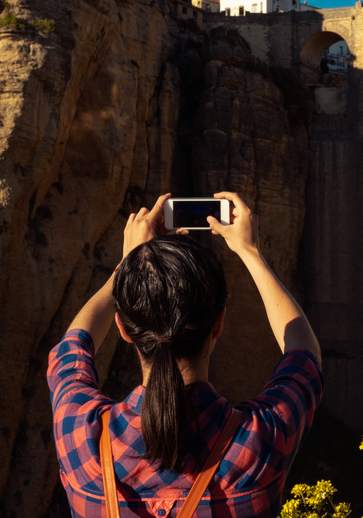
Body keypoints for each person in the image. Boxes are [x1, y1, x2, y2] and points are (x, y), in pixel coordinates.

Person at [47, 191, 322, 518]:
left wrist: (128, 265)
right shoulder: (260, 441)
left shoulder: (82, 435)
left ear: (122, 327)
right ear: (218, 324)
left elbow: (70, 351)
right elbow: (305, 355)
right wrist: (250, 252)